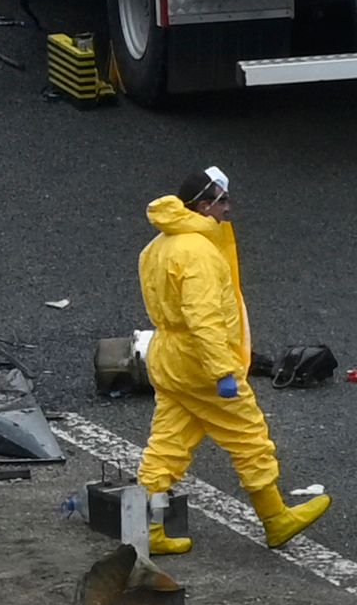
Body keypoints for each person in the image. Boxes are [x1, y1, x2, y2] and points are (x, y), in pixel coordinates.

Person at [136, 166, 331, 555]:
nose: (229, 209)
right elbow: (204, 318)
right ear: (205, 205)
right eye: (223, 201)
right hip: (201, 361)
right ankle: (276, 519)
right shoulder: (198, 253)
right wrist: (223, 371)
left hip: (169, 357)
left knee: (167, 445)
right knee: (249, 437)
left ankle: (148, 528)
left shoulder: (157, 247)